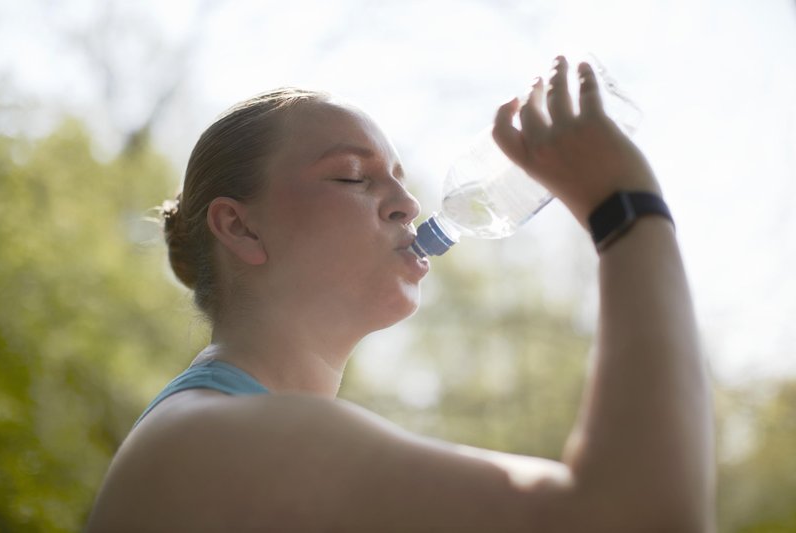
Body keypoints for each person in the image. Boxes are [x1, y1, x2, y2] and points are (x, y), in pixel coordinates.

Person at [86, 56, 715, 532]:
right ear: (240, 226)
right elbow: (636, 517)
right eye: (354, 176)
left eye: (401, 179)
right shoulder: (218, 438)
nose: (409, 205)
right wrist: (625, 207)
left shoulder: (238, 432)